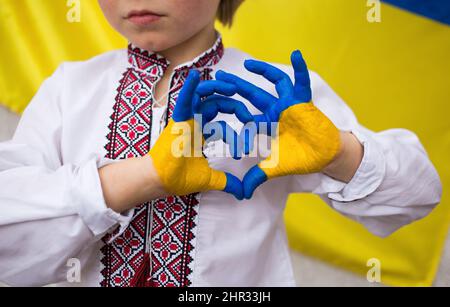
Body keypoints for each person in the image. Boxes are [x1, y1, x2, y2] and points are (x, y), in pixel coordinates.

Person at [0, 0, 442, 287]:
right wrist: (143, 178)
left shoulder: (277, 95)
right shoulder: (68, 90)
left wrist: (342, 154)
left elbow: (420, 196)